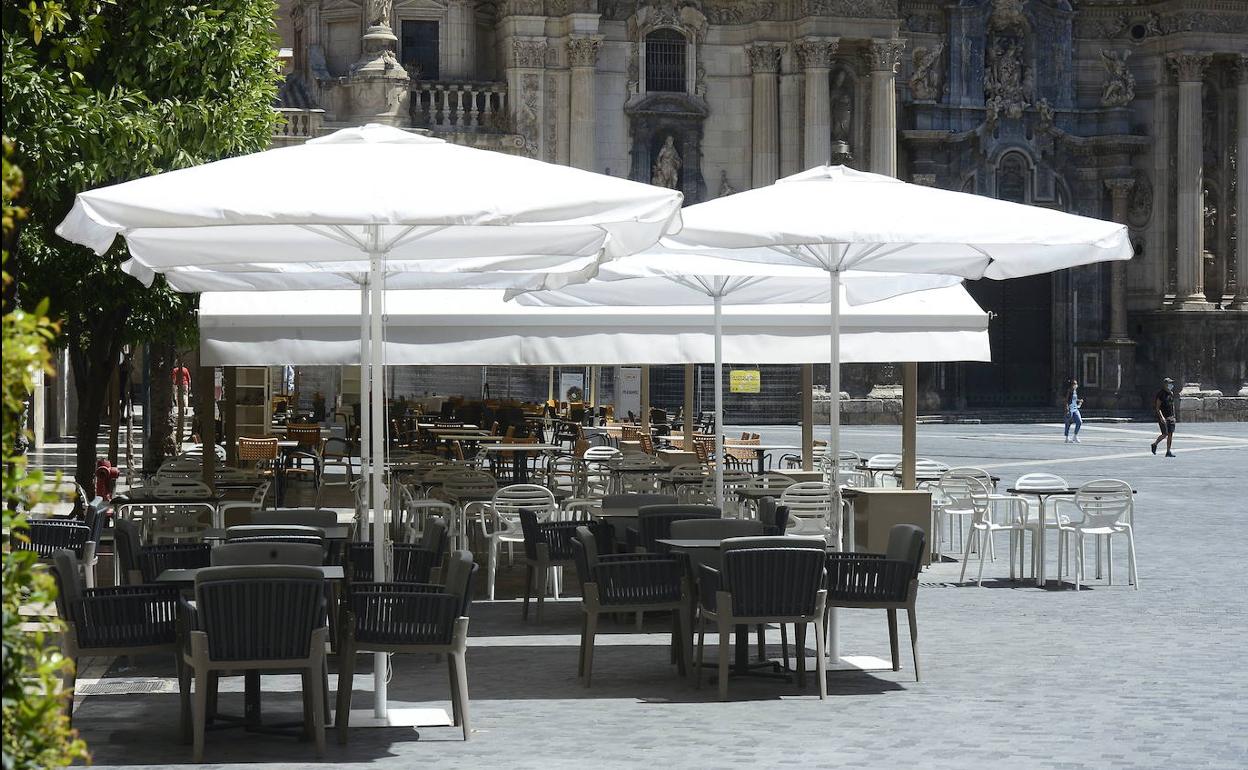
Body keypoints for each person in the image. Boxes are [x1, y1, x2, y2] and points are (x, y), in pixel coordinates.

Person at [1150, 377, 1177, 457]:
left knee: (1170, 434)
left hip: (1171, 416)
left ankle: (1168, 451)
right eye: (1169, 383)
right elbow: (1158, 407)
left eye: (1171, 383)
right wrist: (1161, 418)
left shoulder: (1171, 393)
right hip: (1164, 417)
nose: (1171, 385)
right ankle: (1154, 444)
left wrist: (1174, 416)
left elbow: (1172, 405)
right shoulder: (1161, 394)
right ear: (1165, 385)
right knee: (1165, 434)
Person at [1062, 378, 1082, 443]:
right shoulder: (1069, 391)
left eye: (1076, 384)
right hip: (1070, 409)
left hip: (1075, 409)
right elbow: (1066, 400)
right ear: (1072, 385)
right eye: (1075, 384)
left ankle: (1075, 436)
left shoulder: (1075, 391)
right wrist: (1067, 409)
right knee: (1068, 423)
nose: (1076, 385)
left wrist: (1079, 401)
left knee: (1079, 422)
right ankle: (1067, 437)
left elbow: (1074, 400)